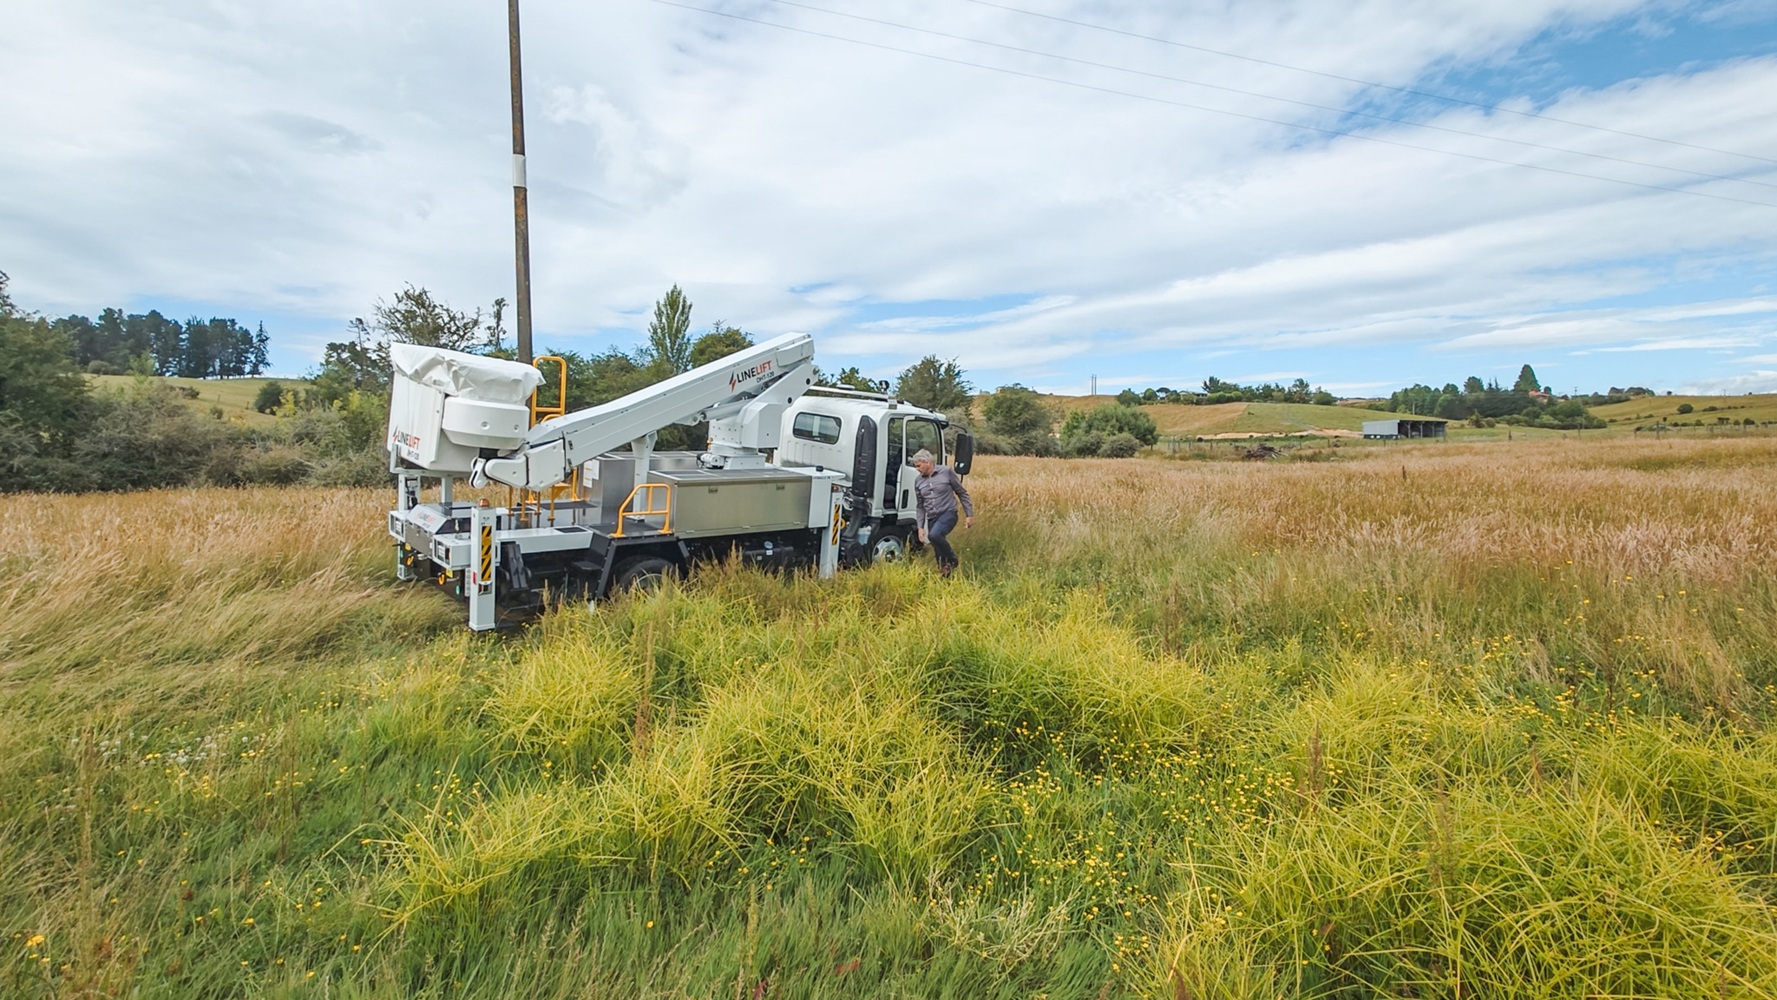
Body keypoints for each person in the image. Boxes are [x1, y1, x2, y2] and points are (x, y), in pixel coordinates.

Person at [912, 448, 973, 577]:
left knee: (934, 535)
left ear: (927, 462)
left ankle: (953, 560)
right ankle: (945, 576)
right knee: (938, 550)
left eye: (918, 465)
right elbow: (920, 506)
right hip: (932, 517)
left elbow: (962, 493)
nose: (917, 469)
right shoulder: (918, 481)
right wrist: (920, 527)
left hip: (948, 513)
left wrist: (969, 514)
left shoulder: (946, 472)